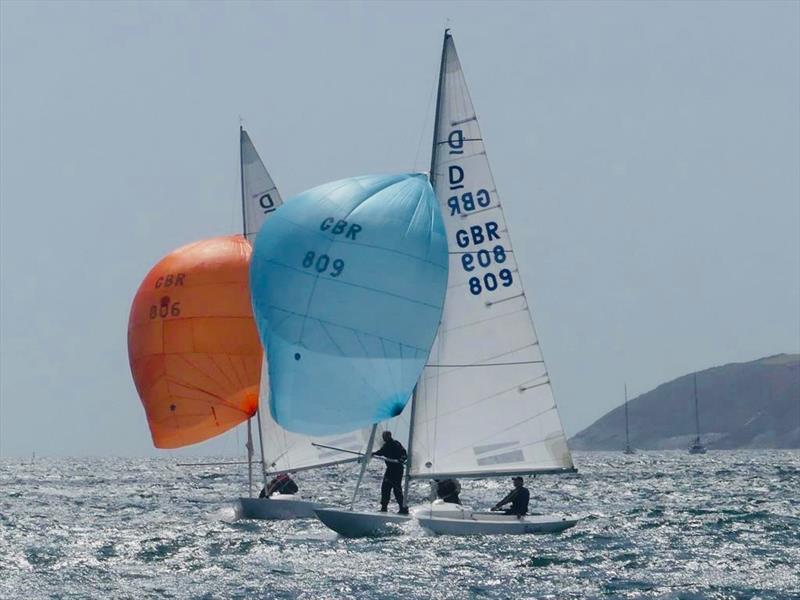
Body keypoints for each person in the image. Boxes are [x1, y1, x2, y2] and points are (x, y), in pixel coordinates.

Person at [372, 430, 408, 514]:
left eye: (385, 436)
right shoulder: (386, 445)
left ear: (389, 436)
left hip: (397, 469)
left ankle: (403, 508)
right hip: (390, 469)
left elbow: (404, 453)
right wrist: (373, 453)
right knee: (385, 488)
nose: (383, 438)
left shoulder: (396, 444)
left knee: (396, 489)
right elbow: (381, 452)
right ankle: (384, 507)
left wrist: (401, 459)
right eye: (383, 436)